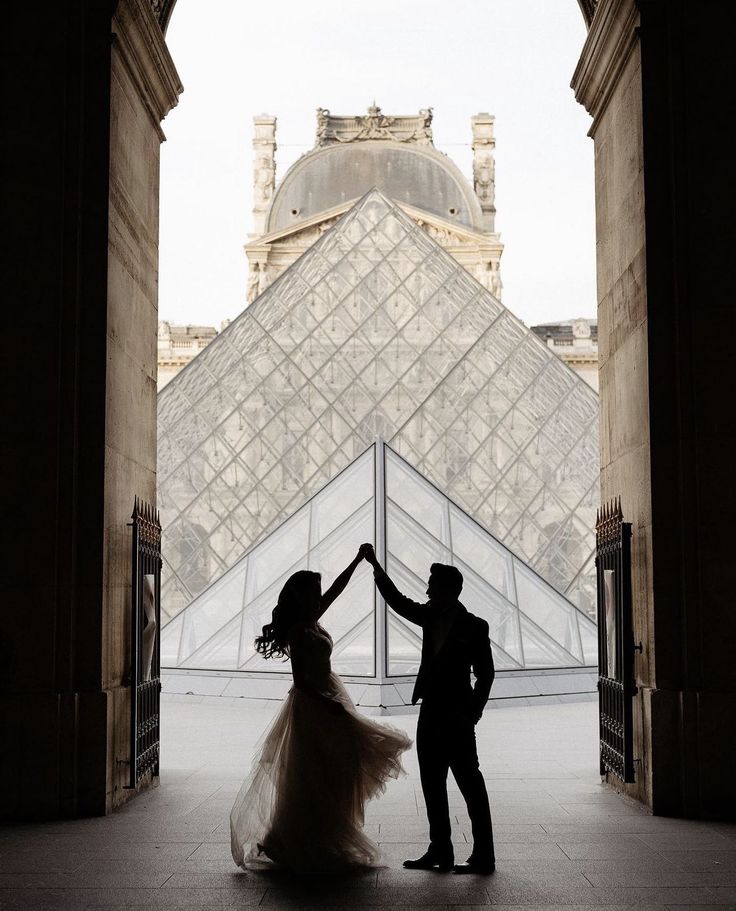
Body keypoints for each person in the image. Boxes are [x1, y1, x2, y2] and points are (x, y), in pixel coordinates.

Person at [230, 549, 411, 874]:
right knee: (315, 776)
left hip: (326, 699)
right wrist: (332, 705)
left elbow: (336, 591)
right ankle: (299, 837)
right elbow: (301, 681)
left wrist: (358, 562)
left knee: (327, 774)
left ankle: (306, 836)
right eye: (313, 593)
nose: (319, 597)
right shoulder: (300, 631)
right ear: (302, 597)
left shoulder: (310, 620)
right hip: (314, 706)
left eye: (318, 593)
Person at [361, 543, 496, 874]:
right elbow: (397, 601)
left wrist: (472, 712)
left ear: (450, 590)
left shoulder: (475, 626)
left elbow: (486, 674)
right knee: (432, 783)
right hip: (431, 712)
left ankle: (483, 854)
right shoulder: (430, 613)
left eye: (433, 586)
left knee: (470, 783)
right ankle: (441, 849)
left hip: (457, 716)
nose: (427, 590)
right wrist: (376, 566)